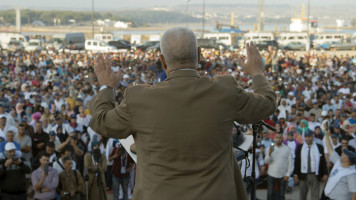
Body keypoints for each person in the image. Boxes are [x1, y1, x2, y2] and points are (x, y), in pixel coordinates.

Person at [89, 27, 276, 199]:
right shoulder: (224, 90)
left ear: (162, 61)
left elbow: (101, 121)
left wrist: (107, 86)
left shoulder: (139, 98)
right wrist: (257, 72)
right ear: (199, 55)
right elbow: (267, 104)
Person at [293, 130, 328, 200]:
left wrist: (325, 173)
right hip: (303, 175)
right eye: (306, 137)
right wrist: (295, 174)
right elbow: (297, 162)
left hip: (315, 174)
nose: (307, 139)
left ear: (313, 137)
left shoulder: (319, 147)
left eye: (309, 137)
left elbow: (323, 161)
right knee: (302, 195)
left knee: (315, 195)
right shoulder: (300, 147)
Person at [323, 128, 356, 200]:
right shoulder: (338, 161)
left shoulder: (351, 173)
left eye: (344, 154)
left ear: (348, 159)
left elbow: (354, 193)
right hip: (329, 197)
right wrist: (327, 135)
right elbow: (330, 149)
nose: (342, 154)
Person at [264, 132, 294, 200]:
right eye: (277, 137)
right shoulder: (270, 148)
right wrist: (269, 154)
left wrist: (288, 174)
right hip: (271, 174)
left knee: (281, 195)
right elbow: (266, 161)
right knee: (270, 194)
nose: (278, 139)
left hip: (283, 175)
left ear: (282, 138)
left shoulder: (287, 149)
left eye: (280, 137)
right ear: (274, 138)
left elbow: (290, 163)